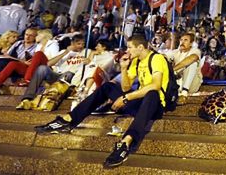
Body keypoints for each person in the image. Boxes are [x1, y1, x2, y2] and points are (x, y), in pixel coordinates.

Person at [34, 34, 169, 168]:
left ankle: (126, 142)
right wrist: (123, 68)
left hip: (155, 105)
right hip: (138, 102)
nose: (127, 51)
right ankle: (70, 119)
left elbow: (156, 85)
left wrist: (126, 98)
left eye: (129, 47)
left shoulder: (156, 58)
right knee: (108, 87)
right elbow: (125, 87)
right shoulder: (136, 61)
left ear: (140, 47)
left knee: (152, 94)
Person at [163, 33, 203, 103]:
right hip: (178, 82)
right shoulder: (175, 52)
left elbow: (192, 58)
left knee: (192, 63)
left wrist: (172, 70)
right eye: (181, 40)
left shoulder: (195, 51)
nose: (182, 42)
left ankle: (184, 94)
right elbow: (164, 56)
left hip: (191, 85)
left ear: (191, 44)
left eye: (186, 40)